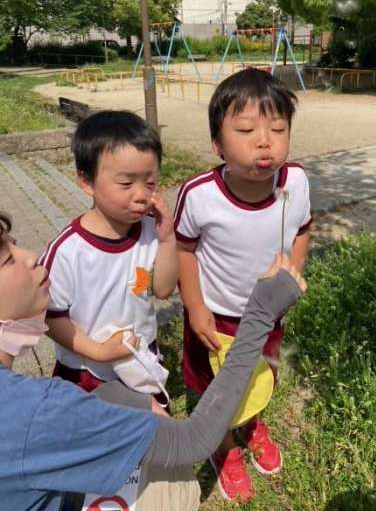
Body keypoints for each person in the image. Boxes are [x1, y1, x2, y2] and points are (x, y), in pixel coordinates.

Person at [0, 211, 306, 511]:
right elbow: (193, 441)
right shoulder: (34, 412)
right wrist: (261, 312)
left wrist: (114, 396)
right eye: (7, 259)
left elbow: (162, 287)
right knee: (175, 488)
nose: (31, 257)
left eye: (14, 243)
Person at [175, 67, 312, 501]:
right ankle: (225, 445)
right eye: (247, 130)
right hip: (216, 320)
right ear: (217, 143)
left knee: (259, 377)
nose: (264, 141)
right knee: (215, 389)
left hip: (267, 315)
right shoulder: (199, 195)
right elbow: (183, 251)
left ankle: (252, 424)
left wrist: (292, 272)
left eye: (278, 129)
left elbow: (303, 229)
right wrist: (195, 307)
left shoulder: (297, 182)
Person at [39, 111, 177, 414]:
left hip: (139, 358)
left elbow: (163, 290)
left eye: (151, 183)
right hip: (86, 370)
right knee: (92, 431)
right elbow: (50, 318)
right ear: (86, 181)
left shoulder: (150, 232)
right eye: (126, 183)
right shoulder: (69, 251)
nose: (141, 195)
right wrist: (99, 351)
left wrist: (168, 240)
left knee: (150, 429)